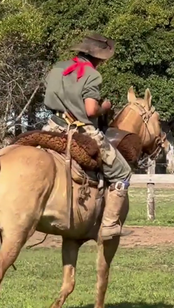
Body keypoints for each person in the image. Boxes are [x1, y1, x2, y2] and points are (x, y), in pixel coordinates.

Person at [42, 32, 132, 241]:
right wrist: (105, 108)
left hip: (53, 125)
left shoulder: (58, 68)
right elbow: (90, 111)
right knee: (122, 172)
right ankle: (110, 225)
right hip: (79, 129)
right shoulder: (92, 75)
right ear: (100, 58)